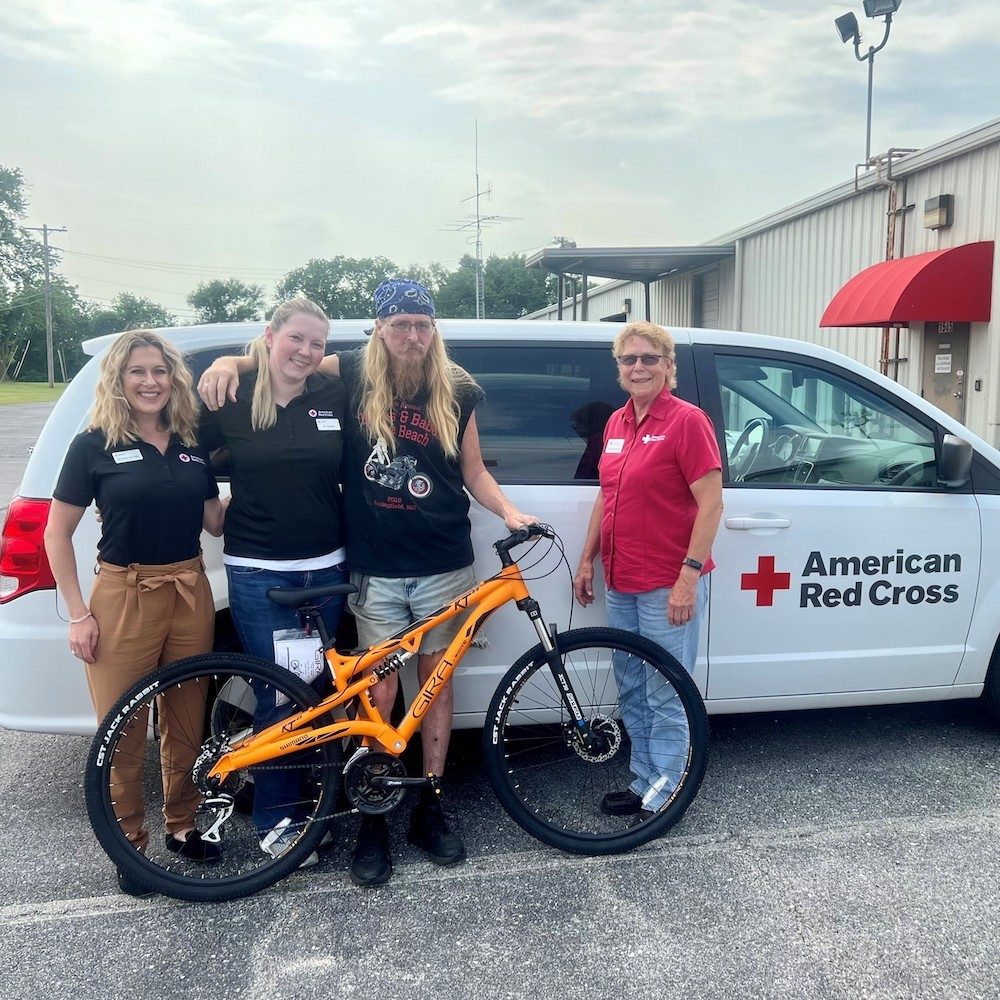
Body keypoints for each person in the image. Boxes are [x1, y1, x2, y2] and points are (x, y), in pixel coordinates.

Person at [199, 278, 536, 888]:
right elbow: (285, 357)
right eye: (400, 323)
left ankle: (430, 803)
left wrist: (510, 513)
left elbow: (474, 469)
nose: (412, 334)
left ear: (435, 330)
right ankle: (376, 816)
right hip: (373, 568)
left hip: (443, 560)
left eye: (422, 324)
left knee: (434, 687)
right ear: (380, 328)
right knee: (378, 695)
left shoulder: (456, 388)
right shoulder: (350, 371)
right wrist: (232, 357)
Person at [45, 330, 227, 898]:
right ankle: (131, 844)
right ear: (119, 382)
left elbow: (214, 524)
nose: (150, 382)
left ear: (173, 379)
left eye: (159, 371)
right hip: (123, 594)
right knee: (121, 727)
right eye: (137, 372)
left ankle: (182, 825)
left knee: (185, 720)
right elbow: (57, 532)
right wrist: (78, 613)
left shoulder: (192, 442)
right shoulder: (93, 446)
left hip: (190, 588)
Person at [197, 297, 349, 868]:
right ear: (270, 336)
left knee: (315, 691)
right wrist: (210, 505)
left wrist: (236, 359)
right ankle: (278, 823)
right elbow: (183, 449)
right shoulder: (229, 397)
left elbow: (381, 372)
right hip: (260, 570)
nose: (306, 352)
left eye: (317, 344)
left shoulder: (331, 392)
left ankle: (311, 806)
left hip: (327, 567)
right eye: (296, 339)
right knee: (278, 693)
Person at [573, 321, 723, 816]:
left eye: (649, 358)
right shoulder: (616, 423)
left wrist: (688, 578)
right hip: (621, 579)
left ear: (668, 367)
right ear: (618, 370)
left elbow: (711, 505)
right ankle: (643, 780)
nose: (639, 367)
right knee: (632, 685)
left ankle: (669, 788)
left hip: (665, 582)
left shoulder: (687, 421)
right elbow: (606, 496)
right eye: (629, 359)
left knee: (665, 689)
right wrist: (587, 558)